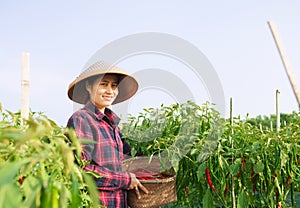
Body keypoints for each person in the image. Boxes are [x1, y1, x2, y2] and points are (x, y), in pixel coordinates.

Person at [66, 61, 148, 208]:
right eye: (103, 84)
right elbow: (80, 169)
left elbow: (125, 160)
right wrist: (125, 180)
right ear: (88, 87)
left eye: (114, 85)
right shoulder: (82, 119)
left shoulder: (113, 125)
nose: (110, 91)